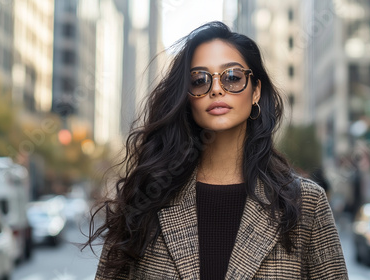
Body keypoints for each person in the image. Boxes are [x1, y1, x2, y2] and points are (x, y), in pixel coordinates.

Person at [87, 21, 348, 279]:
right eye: (199, 80)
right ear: (186, 98)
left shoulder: (305, 203)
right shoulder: (148, 196)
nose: (216, 89)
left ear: (256, 91)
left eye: (232, 77)